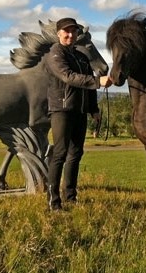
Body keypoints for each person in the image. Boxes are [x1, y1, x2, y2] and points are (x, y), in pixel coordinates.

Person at [45, 17, 112, 211]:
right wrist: (98, 81)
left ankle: (71, 196)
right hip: (62, 110)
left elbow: (88, 86)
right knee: (60, 153)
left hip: (80, 111)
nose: (70, 34)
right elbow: (68, 77)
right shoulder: (55, 54)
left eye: (73, 31)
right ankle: (53, 201)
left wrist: (94, 109)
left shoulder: (82, 56)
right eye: (66, 31)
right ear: (58, 34)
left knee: (76, 153)